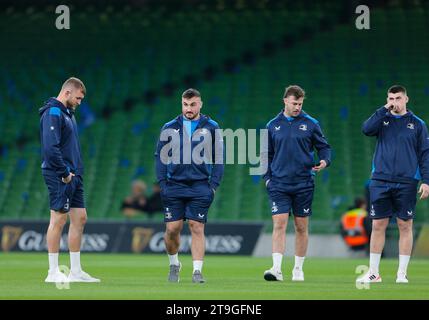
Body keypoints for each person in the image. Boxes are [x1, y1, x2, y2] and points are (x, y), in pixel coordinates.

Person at [358, 85, 429, 284]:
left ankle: (402, 273)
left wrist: (427, 181)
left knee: (405, 225)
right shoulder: (383, 119)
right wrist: (383, 109)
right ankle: (373, 272)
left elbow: (425, 155)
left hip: (407, 181)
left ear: (406, 99)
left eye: (398, 98)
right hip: (380, 180)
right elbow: (366, 129)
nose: (394, 102)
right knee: (377, 225)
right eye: (391, 98)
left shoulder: (418, 124)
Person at [262, 85, 331, 282]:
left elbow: (324, 147)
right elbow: (265, 155)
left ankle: (298, 269)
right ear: (285, 101)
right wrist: (268, 179)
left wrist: (325, 161)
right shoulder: (272, 125)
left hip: (303, 183)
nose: (297, 107)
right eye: (294, 103)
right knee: (279, 224)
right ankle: (276, 269)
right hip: (279, 184)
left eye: (300, 104)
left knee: (301, 226)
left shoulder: (311, 124)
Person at [155, 88, 224, 283]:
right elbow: (160, 158)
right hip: (174, 186)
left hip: (200, 186)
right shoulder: (170, 126)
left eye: (193, 104)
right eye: (185, 104)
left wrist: (213, 185)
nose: (189, 108)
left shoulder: (211, 126)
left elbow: (219, 158)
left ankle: (197, 272)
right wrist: (162, 184)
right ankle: (174, 264)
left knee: (196, 226)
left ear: (200, 104)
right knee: (172, 229)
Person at [40, 77, 100, 283]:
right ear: (67, 93)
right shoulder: (53, 112)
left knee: (80, 218)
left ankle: (75, 271)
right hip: (61, 174)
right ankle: (52, 271)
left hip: (74, 173)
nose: (80, 102)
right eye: (78, 98)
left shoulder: (67, 114)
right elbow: (50, 148)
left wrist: (74, 172)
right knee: (58, 219)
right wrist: (64, 172)